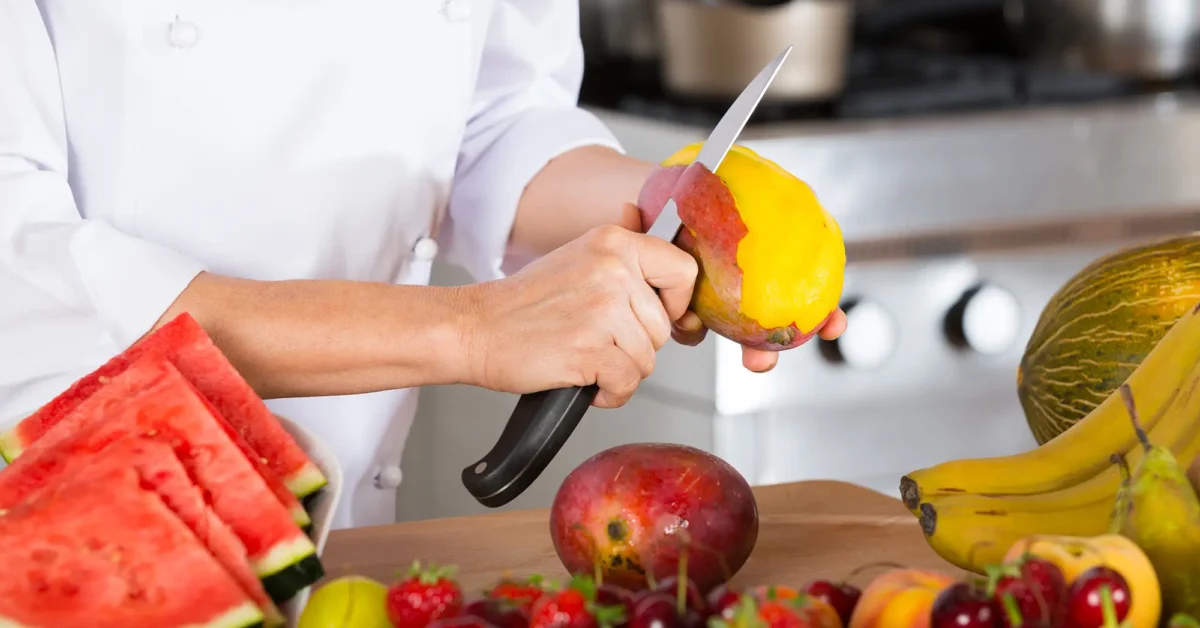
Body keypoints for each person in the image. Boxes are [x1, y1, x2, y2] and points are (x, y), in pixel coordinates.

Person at [0, 0, 847, 528]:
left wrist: (671, 214)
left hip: (352, 529)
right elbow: (22, 255)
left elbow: (495, 114)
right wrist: (471, 332)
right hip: (68, 504)